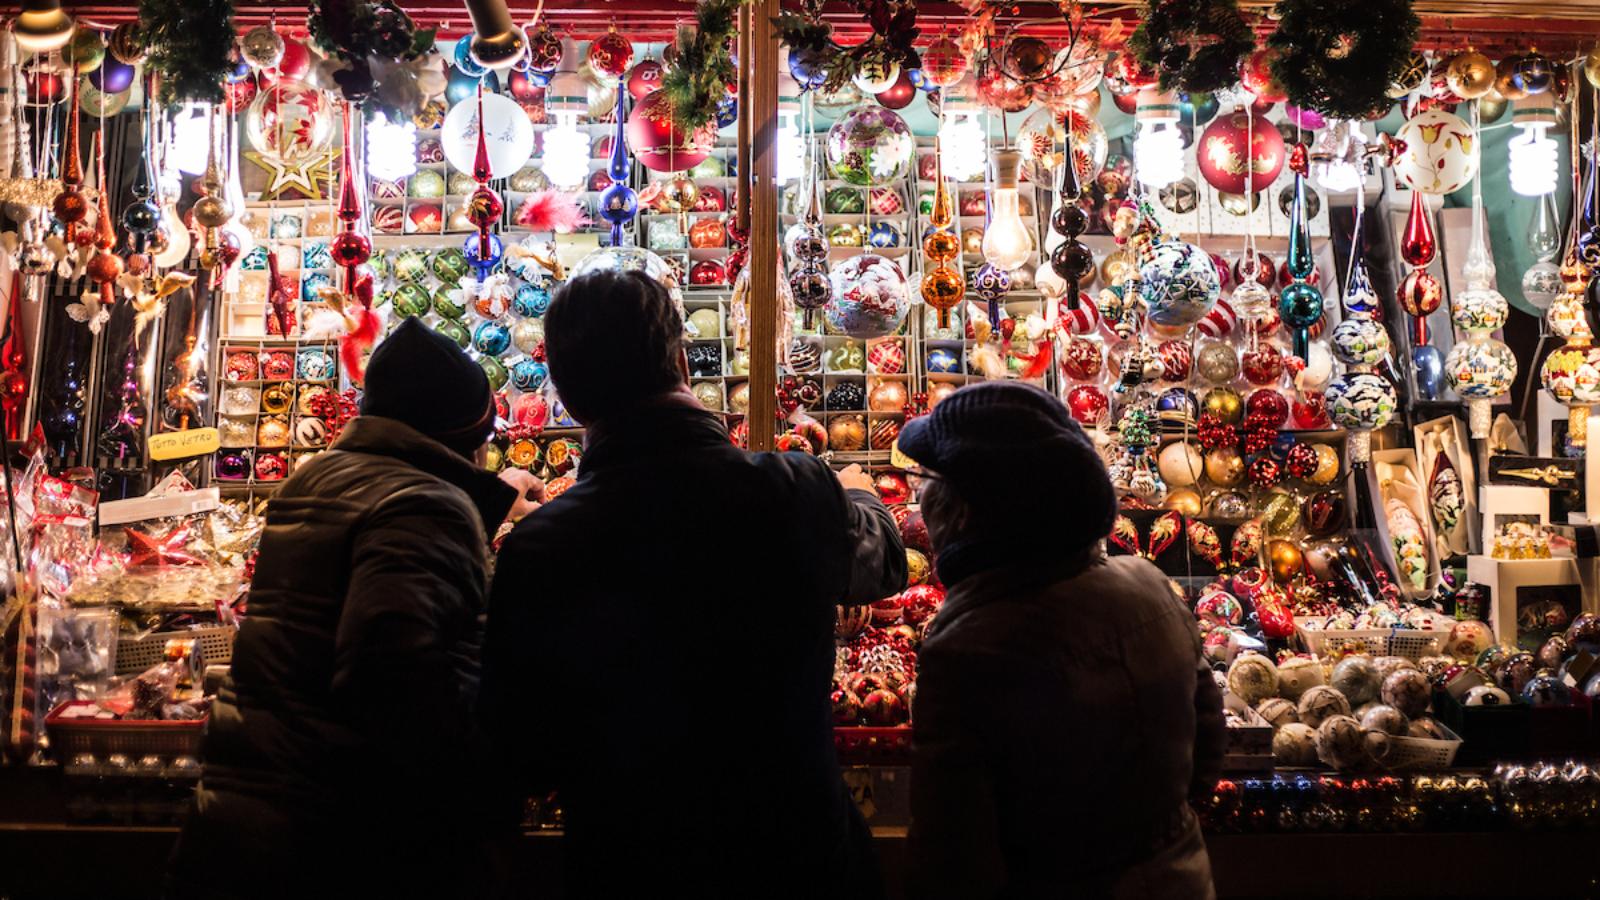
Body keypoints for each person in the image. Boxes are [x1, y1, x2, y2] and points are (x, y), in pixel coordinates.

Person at [482, 269, 907, 898]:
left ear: (567, 398)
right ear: (682, 359)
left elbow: (519, 750)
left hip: (631, 867)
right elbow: (884, 566)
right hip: (795, 860)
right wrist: (861, 497)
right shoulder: (793, 491)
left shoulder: (542, 549)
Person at [168, 318, 541, 899]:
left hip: (250, 823)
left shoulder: (314, 479)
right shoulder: (424, 506)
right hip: (339, 844)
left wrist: (483, 501)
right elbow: (398, 680)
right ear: (468, 433)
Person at [901, 382, 1224, 900]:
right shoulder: (1150, 586)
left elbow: (953, 857)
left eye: (928, 480)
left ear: (967, 508)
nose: (920, 496)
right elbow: (1206, 758)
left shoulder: (968, 648)